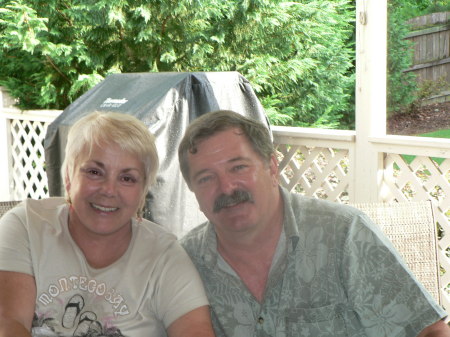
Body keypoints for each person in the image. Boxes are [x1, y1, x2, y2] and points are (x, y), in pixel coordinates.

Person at [178, 109, 450, 337]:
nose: (226, 187)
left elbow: (429, 331)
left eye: (238, 167)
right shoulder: (183, 262)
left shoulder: (344, 234)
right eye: (206, 178)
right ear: (193, 191)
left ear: (272, 168)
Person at [0, 111, 215, 337]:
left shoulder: (165, 258)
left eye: (127, 178)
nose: (109, 190)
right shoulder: (26, 225)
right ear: (68, 177)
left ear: (143, 193)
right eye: (94, 172)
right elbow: (8, 323)